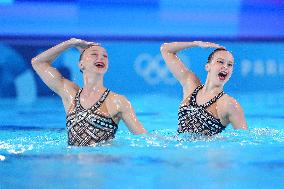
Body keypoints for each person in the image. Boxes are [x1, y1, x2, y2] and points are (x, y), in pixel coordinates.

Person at [31, 38, 147, 146]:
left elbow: (144, 138)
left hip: (104, 164)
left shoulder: (118, 101)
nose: (100, 58)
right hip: (72, 163)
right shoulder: (70, 93)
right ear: (81, 64)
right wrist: (70, 43)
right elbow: (38, 62)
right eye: (94, 54)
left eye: (105, 56)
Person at [160, 41, 248, 136]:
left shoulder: (229, 104)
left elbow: (245, 140)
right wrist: (196, 44)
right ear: (207, 66)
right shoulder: (191, 86)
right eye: (220, 62)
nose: (225, 67)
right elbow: (165, 49)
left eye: (230, 64)